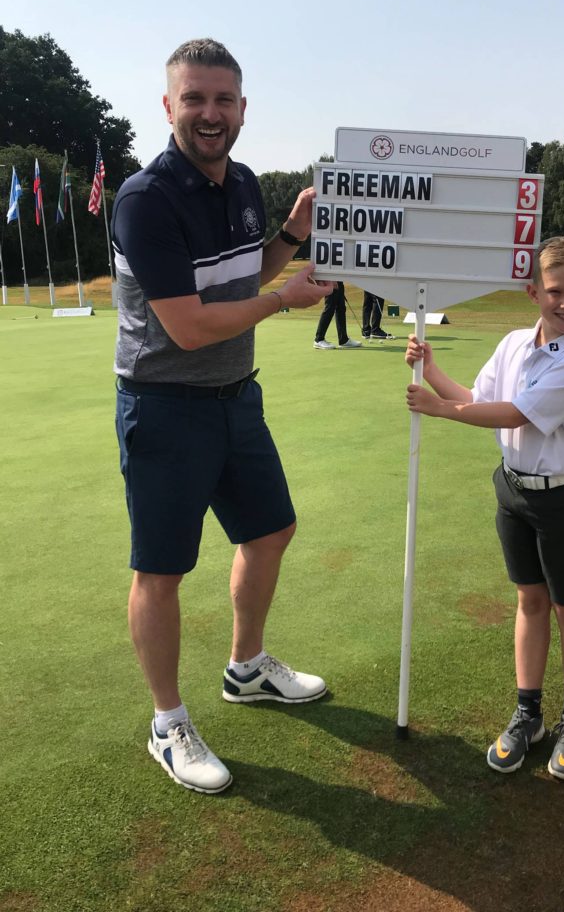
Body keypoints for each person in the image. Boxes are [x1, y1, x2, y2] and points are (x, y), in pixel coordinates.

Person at [112, 38, 335, 795]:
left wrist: (290, 239)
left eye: (224, 100)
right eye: (195, 99)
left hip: (238, 396)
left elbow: (245, 277)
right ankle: (167, 722)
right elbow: (188, 325)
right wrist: (285, 301)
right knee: (162, 570)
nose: (211, 114)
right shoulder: (145, 198)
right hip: (165, 404)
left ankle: (245, 668)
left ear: (242, 109)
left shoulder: (239, 180)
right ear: (169, 105)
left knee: (270, 531)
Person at [405, 236, 564, 782]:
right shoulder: (515, 341)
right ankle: (528, 713)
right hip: (513, 490)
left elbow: (514, 415)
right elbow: (477, 394)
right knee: (530, 601)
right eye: (555, 291)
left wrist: (440, 409)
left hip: (562, 496)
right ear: (532, 290)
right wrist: (432, 366)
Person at [313, 281, 361, 349]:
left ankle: (343, 340)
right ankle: (319, 339)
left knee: (341, 308)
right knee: (329, 308)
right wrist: (331, 280)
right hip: (330, 279)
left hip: (338, 279)